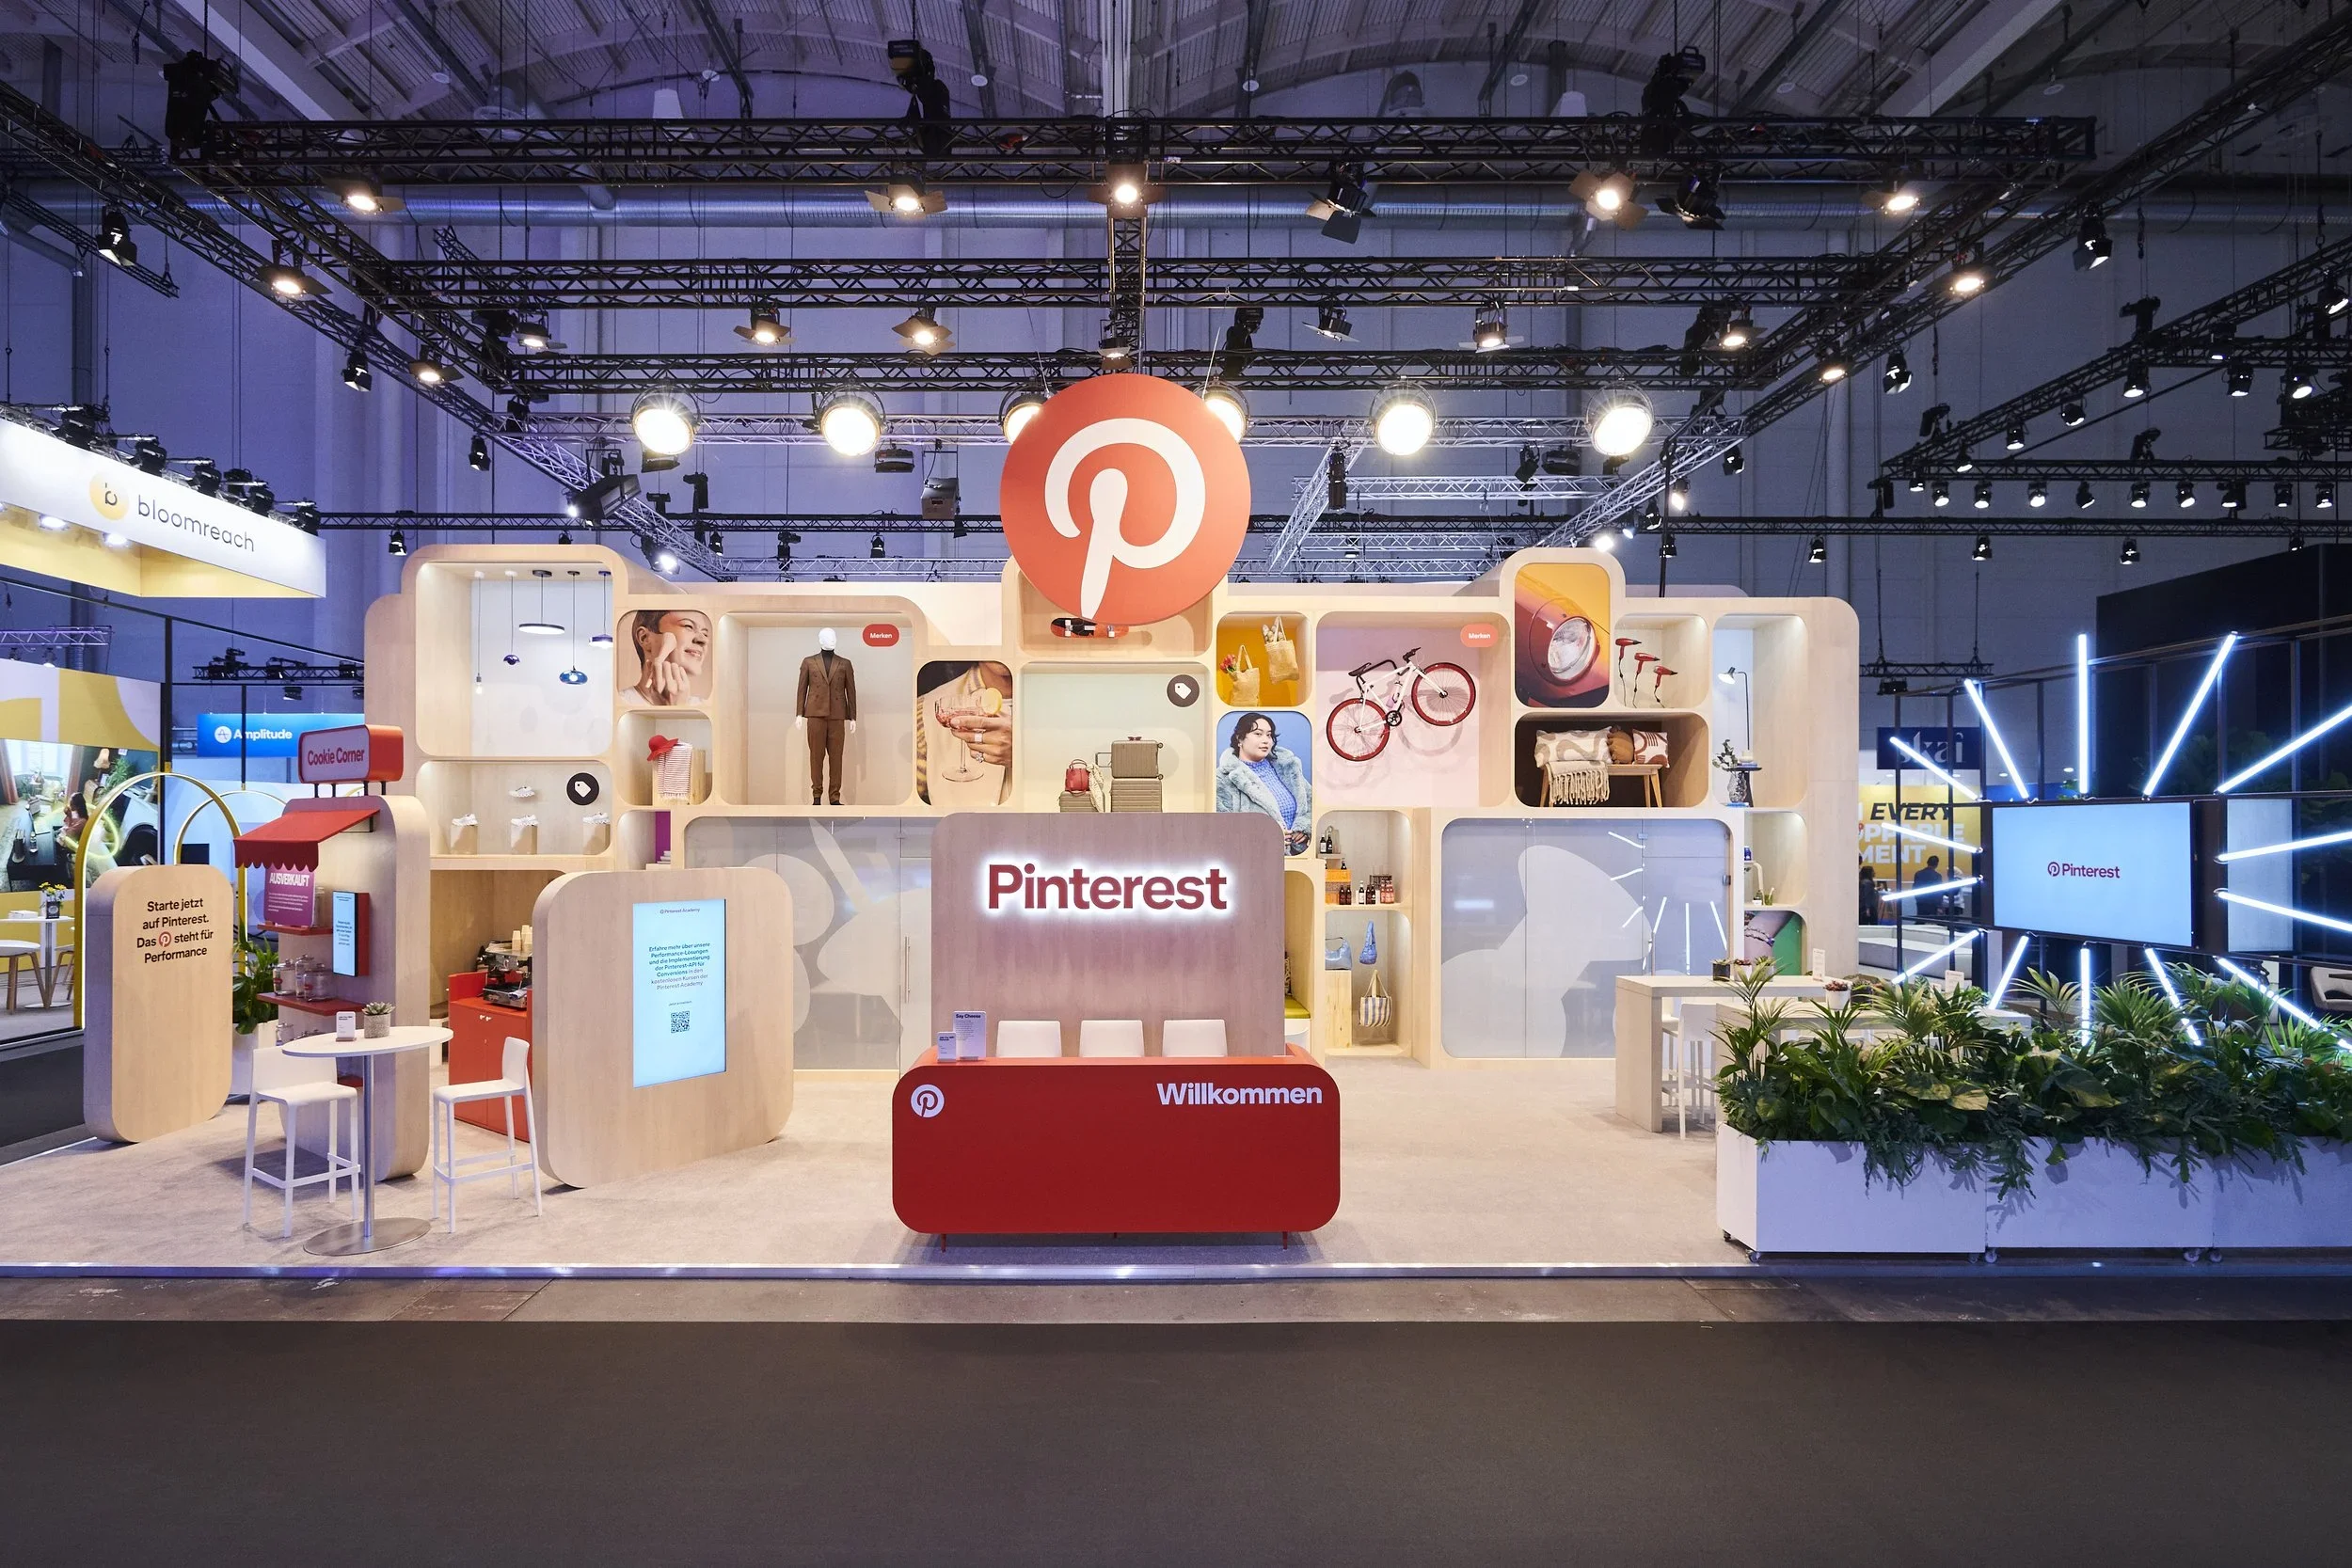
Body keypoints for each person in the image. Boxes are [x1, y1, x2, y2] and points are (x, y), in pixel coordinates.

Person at [1216, 711, 1311, 856]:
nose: (1266, 740)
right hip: (1255, 862)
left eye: (1269, 735)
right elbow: (1222, 829)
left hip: (1298, 860)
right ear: (1239, 738)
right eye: (1258, 734)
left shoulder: (1289, 768)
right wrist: (1266, 836)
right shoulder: (1224, 778)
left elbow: (1310, 803)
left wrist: (1304, 828)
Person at [621, 609, 712, 706]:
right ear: (645, 638)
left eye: (705, 634)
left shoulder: (706, 706)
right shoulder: (620, 703)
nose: (703, 640)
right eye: (688, 626)